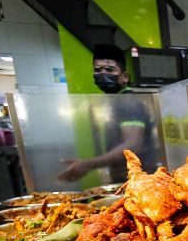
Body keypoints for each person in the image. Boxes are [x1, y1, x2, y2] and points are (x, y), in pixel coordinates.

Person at [57, 43, 156, 183]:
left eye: (110, 69)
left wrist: (88, 164)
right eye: (98, 70)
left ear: (125, 77)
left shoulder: (128, 102)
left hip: (140, 180)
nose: (103, 74)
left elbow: (133, 145)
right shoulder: (113, 102)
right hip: (125, 178)